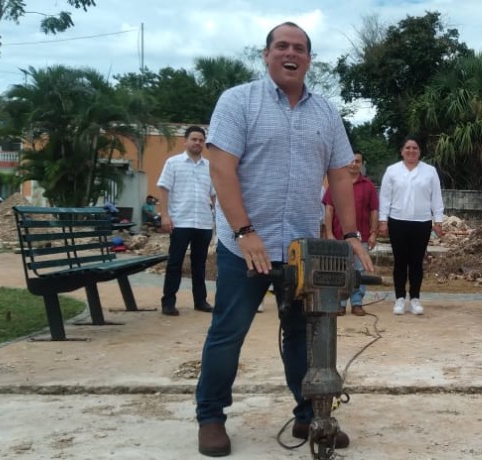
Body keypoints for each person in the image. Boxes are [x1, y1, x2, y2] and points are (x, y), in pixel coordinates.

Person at [195, 22, 373, 457]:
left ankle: (310, 416)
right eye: (281, 46)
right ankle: (211, 416)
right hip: (245, 248)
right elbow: (222, 170)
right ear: (266, 54)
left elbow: (340, 176)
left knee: (303, 335)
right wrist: (244, 231)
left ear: (309, 59)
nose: (290, 54)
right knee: (228, 331)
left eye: (299, 48)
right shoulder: (238, 101)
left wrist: (350, 235)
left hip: (300, 250)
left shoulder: (326, 113)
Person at [377, 137, 445, 316]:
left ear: (420, 151)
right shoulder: (392, 171)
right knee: (400, 262)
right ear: (402, 151)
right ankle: (399, 298)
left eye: (415, 148)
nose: (411, 151)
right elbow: (385, 197)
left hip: (421, 223)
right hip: (397, 221)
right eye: (407, 147)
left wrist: (438, 221)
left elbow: (436, 197)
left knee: (416, 262)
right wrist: (383, 220)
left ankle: (415, 298)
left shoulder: (429, 172)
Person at [157, 125, 216, 316]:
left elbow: (214, 195)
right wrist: (165, 216)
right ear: (186, 141)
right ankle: (168, 302)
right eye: (194, 139)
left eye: (200, 140)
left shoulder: (210, 167)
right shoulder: (173, 163)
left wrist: (216, 217)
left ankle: (200, 301)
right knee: (175, 262)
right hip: (180, 221)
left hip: (203, 223)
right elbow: (164, 190)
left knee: (199, 264)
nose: (197, 143)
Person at [323, 150, 379, 316]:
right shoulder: (336, 184)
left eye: (357, 161)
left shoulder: (368, 186)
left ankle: (357, 303)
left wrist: (374, 232)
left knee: (359, 271)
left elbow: (374, 211)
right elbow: (329, 209)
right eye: (352, 161)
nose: (354, 164)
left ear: (361, 164)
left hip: (361, 236)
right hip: (339, 236)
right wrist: (329, 233)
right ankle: (339, 303)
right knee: (339, 270)